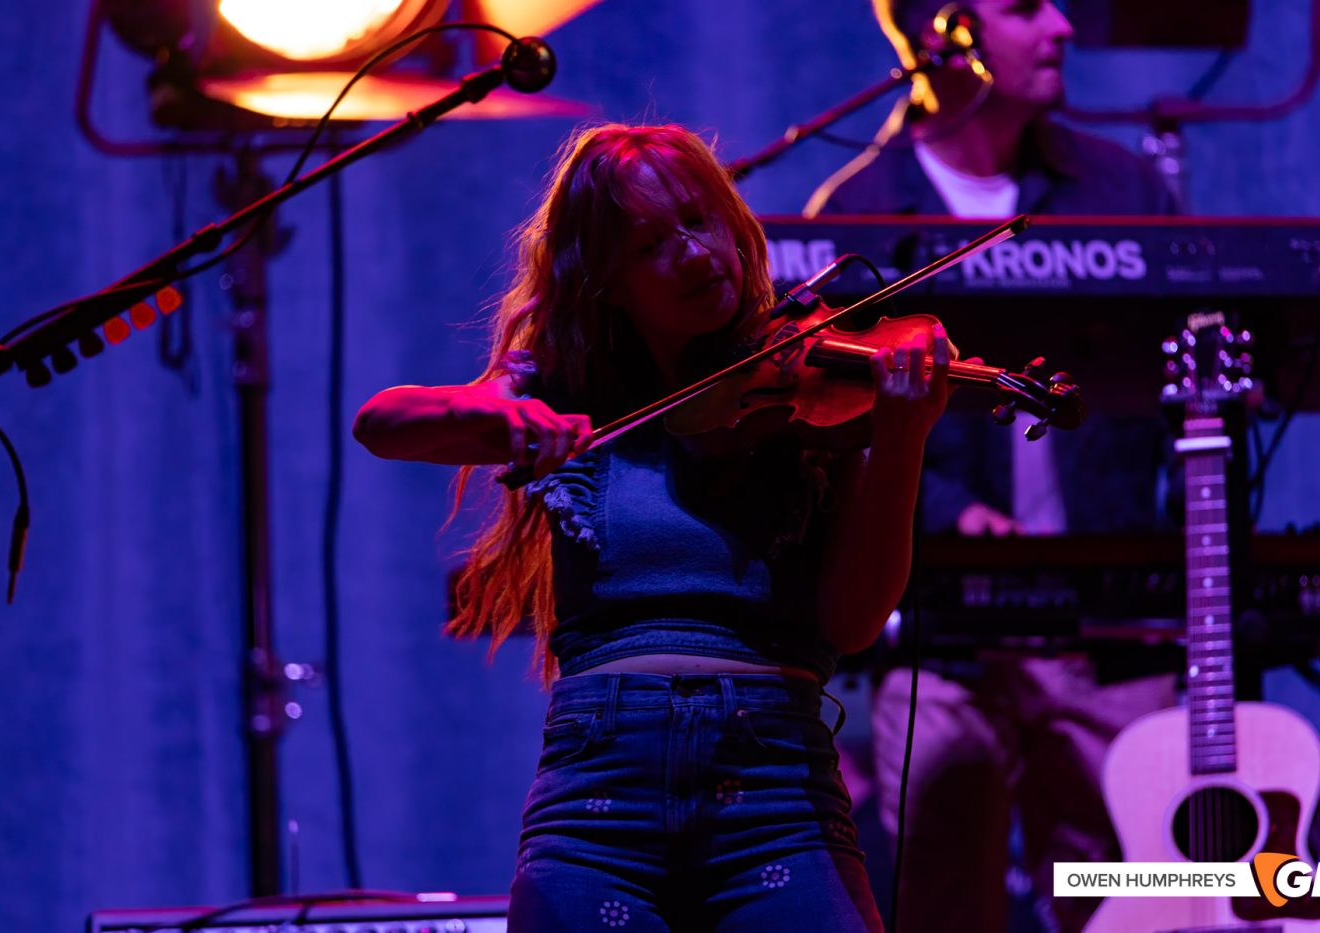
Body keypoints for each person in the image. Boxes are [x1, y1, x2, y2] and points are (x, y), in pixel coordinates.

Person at [354, 122, 955, 931]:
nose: (695, 254)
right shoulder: (565, 385)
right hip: (597, 794)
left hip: (775, 784)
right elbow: (382, 423)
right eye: (649, 244)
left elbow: (850, 623)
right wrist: (499, 407)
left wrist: (903, 440)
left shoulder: (811, 385)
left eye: (699, 220)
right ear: (605, 280)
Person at [807, 2, 1181, 931]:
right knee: (940, 899)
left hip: (1105, 631)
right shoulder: (858, 215)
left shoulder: (1123, 189)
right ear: (947, 31)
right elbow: (825, 422)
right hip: (944, 634)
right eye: (1024, 6)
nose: (1060, 27)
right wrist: (945, 507)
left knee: (1127, 896)